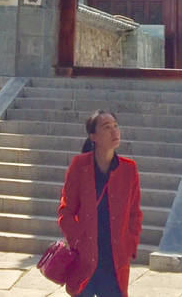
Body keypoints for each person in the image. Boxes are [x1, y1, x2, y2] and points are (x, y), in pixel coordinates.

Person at [57, 110, 143, 297]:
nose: (114, 132)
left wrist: (130, 243)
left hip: (115, 258)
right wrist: (77, 240)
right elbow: (66, 209)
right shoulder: (79, 165)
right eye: (107, 128)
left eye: (115, 126)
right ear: (93, 136)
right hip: (84, 257)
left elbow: (135, 213)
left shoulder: (129, 169)